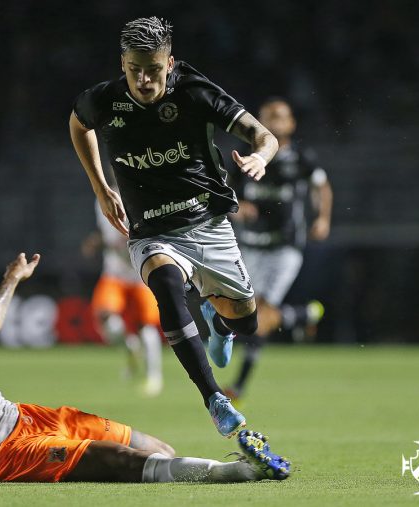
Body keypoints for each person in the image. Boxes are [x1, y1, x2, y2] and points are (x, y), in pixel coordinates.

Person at [0, 155, 291, 483]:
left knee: (154, 450)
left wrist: (12, 280)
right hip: (0, 454)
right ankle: (240, 471)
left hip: (28, 418)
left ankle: (215, 469)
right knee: (117, 462)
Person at [69, 16, 278, 437]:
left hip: (208, 223)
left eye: (154, 69)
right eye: (134, 69)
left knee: (245, 321)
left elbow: (264, 135)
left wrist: (260, 158)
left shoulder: (195, 92)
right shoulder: (105, 100)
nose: (144, 79)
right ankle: (214, 398)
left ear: (170, 62)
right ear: (122, 63)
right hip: (152, 230)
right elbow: (77, 124)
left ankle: (218, 322)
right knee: (165, 281)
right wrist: (100, 184)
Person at [224, 98, 332, 401]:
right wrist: (237, 207)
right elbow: (225, 194)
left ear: (292, 124)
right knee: (247, 317)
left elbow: (321, 186)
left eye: (280, 117)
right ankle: (301, 315)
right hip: (251, 247)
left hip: (285, 247)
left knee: (262, 315)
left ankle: (240, 385)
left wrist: (322, 218)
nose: (274, 122)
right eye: (268, 117)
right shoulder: (244, 156)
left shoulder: (300, 158)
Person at [82, 198, 163, 396]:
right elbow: (106, 232)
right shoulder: (103, 196)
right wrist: (97, 241)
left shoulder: (141, 194)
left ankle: (154, 376)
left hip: (140, 273)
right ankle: (130, 346)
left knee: (146, 325)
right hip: (114, 274)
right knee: (104, 318)